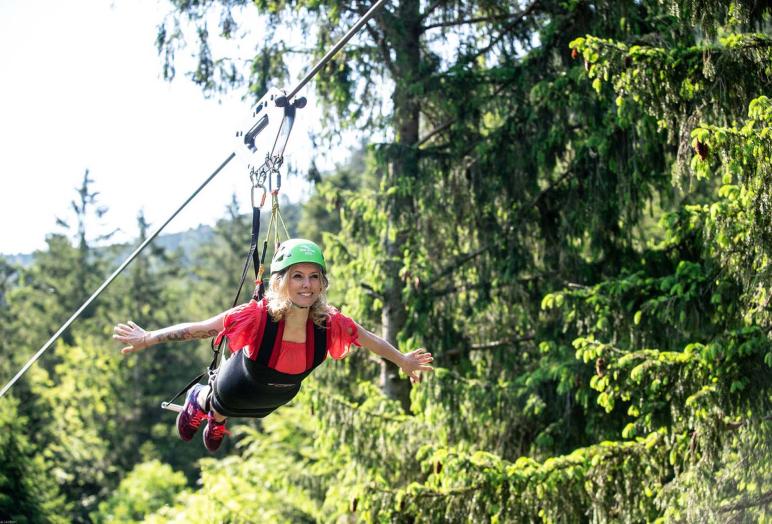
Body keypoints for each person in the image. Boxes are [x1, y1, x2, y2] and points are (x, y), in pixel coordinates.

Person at [113, 239, 433, 452]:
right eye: (297, 276)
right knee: (225, 399)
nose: (306, 285)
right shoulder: (256, 316)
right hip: (238, 382)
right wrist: (149, 337)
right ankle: (202, 400)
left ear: (322, 283)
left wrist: (402, 360)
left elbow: (370, 340)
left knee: (251, 405)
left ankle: (218, 418)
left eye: (313, 277)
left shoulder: (330, 322)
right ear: (280, 281)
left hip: (273, 396)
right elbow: (201, 329)